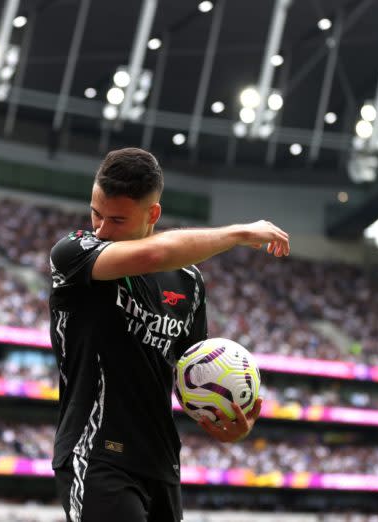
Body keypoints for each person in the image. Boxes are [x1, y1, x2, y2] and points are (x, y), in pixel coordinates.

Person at [49, 148, 290, 522]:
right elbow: (151, 256)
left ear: (153, 214)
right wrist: (239, 233)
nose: (101, 229)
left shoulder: (188, 282)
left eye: (116, 219)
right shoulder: (74, 253)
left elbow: (190, 373)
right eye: (96, 212)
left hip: (161, 465)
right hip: (95, 453)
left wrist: (222, 419)